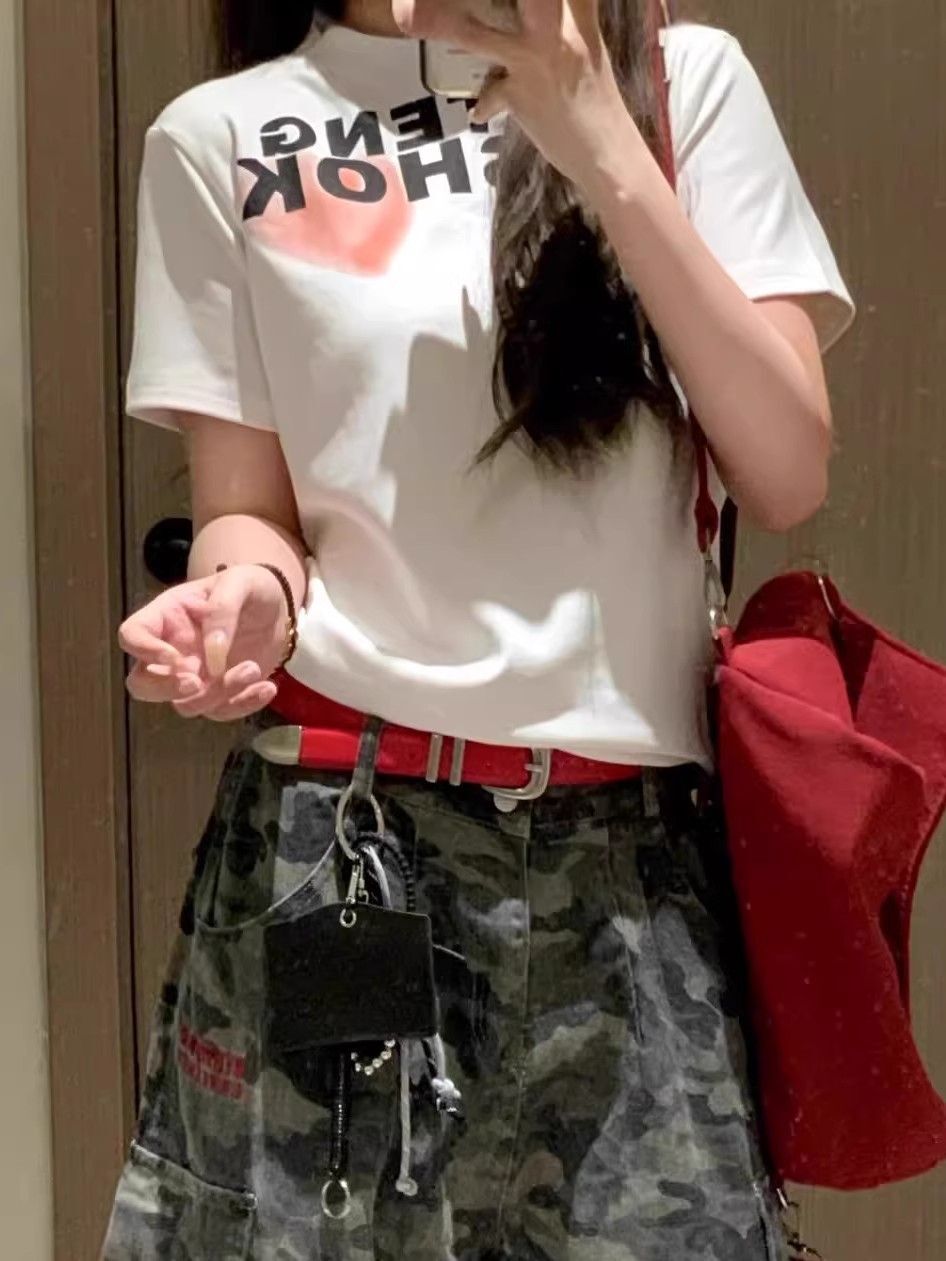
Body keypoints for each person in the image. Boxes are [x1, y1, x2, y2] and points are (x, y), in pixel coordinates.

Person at [102, 1, 856, 1258]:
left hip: (630, 868)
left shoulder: (678, 82)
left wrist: (596, 134)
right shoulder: (222, 134)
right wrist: (244, 599)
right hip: (345, 849)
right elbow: (249, 514)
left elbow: (786, 470)